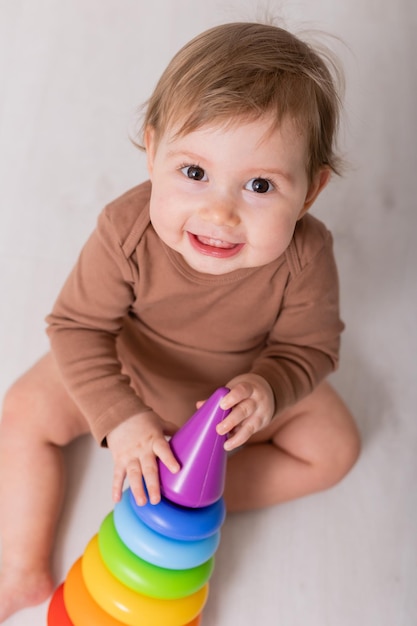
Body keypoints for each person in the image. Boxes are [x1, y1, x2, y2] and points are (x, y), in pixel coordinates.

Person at [0, 21, 360, 621]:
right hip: (130, 367)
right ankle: (20, 567)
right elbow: (76, 328)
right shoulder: (127, 228)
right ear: (152, 150)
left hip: (229, 402)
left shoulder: (306, 254)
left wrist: (269, 388)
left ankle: (179, 496)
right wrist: (120, 418)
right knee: (21, 415)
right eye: (194, 173)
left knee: (335, 448)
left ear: (311, 192)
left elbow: (310, 348)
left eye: (260, 185)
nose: (219, 211)